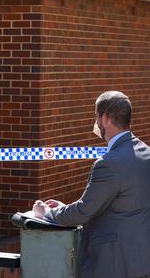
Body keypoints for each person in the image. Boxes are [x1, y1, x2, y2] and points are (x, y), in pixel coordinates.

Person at [32, 91, 150, 278]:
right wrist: (66, 207)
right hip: (141, 262)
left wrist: (47, 213)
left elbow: (83, 212)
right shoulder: (146, 153)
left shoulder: (108, 163)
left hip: (112, 265)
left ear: (105, 119)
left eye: (96, 116)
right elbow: (114, 203)